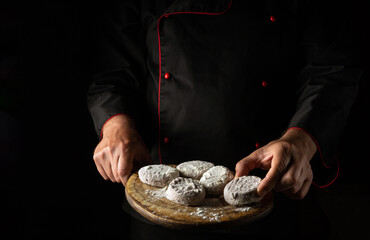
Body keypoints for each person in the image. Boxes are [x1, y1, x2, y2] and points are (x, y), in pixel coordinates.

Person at [87, 0, 362, 239]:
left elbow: (332, 69)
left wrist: (301, 142)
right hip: (160, 199)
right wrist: (115, 125)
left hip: (270, 184)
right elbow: (111, 67)